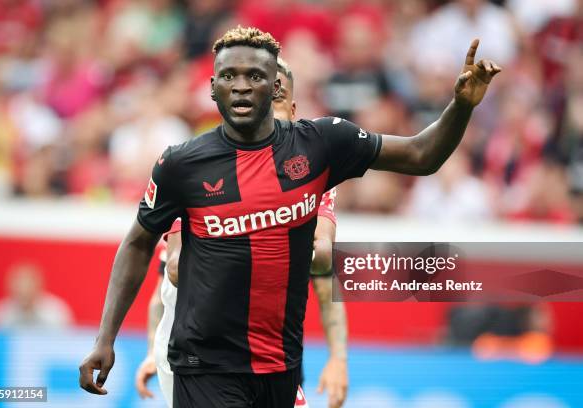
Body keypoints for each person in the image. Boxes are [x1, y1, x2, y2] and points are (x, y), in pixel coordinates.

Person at [79, 26, 500, 407]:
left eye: (256, 77)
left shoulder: (320, 145)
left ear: (275, 87)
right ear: (212, 88)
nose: (241, 87)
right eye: (229, 77)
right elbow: (138, 243)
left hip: (280, 365)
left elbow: (421, 155)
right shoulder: (182, 164)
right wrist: (106, 338)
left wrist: (461, 106)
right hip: (205, 366)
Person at [134, 58, 347, 408]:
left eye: (277, 100)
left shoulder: (310, 176)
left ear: (293, 110)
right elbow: (169, 272)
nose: (268, 111)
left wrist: (338, 358)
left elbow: (324, 271)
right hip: (202, 355)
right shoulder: (201, 169)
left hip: (271, 353)